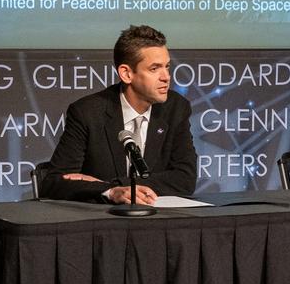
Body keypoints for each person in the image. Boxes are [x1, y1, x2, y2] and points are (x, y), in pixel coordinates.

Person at [41, 24, 197, 203]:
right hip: (101, 223)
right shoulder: (88, 113)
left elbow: (185, 179)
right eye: (154, 69)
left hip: (156, 220)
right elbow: (54, 182)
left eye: (167, 66)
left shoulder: (176, 108)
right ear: (126, 74)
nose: (166, 77)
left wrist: (113, 186)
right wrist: (112, 193)